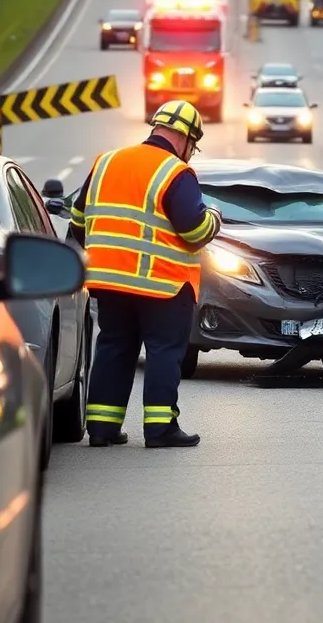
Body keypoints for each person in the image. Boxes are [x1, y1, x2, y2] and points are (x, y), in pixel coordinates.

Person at [68, 101, 222, 449]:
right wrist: (215, 216)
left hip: (108, 281)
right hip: (162, 284)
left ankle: (102, 428)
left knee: (114, 346)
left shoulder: (106, 162)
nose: (191, 154)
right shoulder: (174, 172)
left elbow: (78, 222)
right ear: (185, 139)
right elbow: (195, 230)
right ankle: (160, 428)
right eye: (193, 147)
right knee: (165, 351)